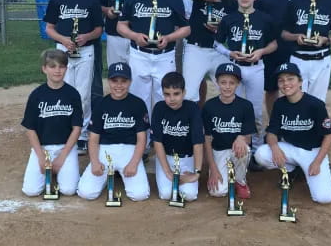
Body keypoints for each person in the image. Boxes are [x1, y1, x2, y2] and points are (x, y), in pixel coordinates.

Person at [47, 0, 106, 153]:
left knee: (86, 90)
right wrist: (63, 39)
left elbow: (98, 23)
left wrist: (88, 36)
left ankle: (84, 131)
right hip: (63, 44)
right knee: (62, 86)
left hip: (87, 45)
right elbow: (51, 24)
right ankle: (63, 129)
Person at [117, 0, 190, 122]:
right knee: (138, 96)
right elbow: (120, 26)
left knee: (164, 97)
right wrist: (135, 36)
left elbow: (186, 28)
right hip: (139, 54)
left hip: (165, 55)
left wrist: (169, 37)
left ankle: (161, 134)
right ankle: (142, 135)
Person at [254, 62, 331, 204]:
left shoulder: (315, 105)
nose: (286, 83)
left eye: (290, 78)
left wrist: (317, 162)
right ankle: (291, 170)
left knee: (324, 198)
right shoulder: (279, 104)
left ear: (300, 82)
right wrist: (275, 149)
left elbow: (329, 135)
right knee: (261, 154)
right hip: (290, 149)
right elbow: (272, 133)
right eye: (281, 80)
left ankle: (324, 168)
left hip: (313, 153)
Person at [214, 0, 277, 157]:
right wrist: (229, 54)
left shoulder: (265, 19)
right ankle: (235, 146)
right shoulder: (229, 19)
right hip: (235, 67)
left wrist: (262, 52)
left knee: (256, 111)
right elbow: (216, 44)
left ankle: (256, 149)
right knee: (236, 109)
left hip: (256, 67)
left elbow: (274, 44)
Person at [77, 62, 150, 201]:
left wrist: (134, 163)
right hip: (105, 150)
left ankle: (119, 175)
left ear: (130, 81)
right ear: (108, 81)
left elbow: (142, 138)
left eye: (124, 81)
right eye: (114, 81)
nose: (119, 85)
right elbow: (93, 138)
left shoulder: (138, 104)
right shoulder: (101, 104)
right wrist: (94, 162)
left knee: (140, 195)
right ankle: (106, 179)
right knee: (86, 192)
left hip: (129, 150)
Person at [255, 0, 307, 118]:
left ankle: (297, 124)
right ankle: (274, 125)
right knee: (271, 88)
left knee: (297, 87)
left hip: (297, 45)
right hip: (272, 45)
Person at [21, 49, 82, 196]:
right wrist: (41, 156)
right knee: (31, 191)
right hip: (43, 148)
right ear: (44, 69)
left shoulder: (73, 94)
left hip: (65, 148)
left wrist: (62, 156)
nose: (57, 70)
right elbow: (30, 128)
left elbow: (77, 128)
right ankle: (51, 168)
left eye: (61, 66)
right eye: (52, 66)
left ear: (66, 69)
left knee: (68, 190)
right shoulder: (36, 95)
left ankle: (59, 168)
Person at [182, 0, 239, 106]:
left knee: (231, 92)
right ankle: (193, 127)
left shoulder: (233, 2)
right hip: (196, 49)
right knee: (189, 94)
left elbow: (232, 31)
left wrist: (220, 29)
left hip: (219, 51)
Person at [203, 63, 255, 199]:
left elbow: (249, 136)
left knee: (244, 149)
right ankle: (223, 172)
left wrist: (241, 137)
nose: (227, 86)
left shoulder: (245, 105)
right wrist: (213, 168)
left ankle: (240, 181)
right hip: (218, 151)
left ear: (238, 83)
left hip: (236, 150)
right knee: (218, 192)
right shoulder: (209, 106)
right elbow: (207, 140)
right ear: (217, 82)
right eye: (223, 82)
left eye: (232, 83)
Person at [151, 72, 204, 201]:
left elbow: (197, 142)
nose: (172, 99)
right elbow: (157, 142)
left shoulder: (192, 109)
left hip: (187, 158)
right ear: (162, 93)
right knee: (166, 194)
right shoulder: (159, 108)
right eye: (167, 94)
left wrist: (196, 173)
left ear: (184, 92)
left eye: (176, 94)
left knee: (189, 195)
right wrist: (167, 170)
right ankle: (165, 174)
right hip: (166, 157)